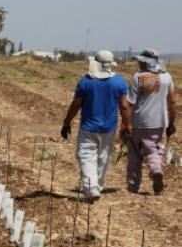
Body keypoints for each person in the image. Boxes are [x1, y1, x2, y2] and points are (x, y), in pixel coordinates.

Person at [60, 50, 131, 201]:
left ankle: (92, 188)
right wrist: (127, 124)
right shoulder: (119, 82)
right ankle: (96, 186)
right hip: (108, 129)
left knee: (86, 157)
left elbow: (75, 105)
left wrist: (67, 122)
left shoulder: (85, 81)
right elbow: (124, 107)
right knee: (103, 158)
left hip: (88, 128)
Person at [126, 49, 176, 194]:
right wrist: (172, 122)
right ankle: (155, 170)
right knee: (153, 149)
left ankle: (133, 187)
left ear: (145, 62)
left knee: (134, 154)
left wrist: (126, 123)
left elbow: (130, 103)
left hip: (137, 122)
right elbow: (172, 100)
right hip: (158, 122)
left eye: (141, 61)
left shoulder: (138, 77)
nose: (139, 63)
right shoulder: (167, 77)